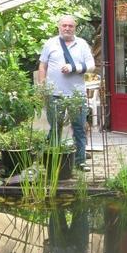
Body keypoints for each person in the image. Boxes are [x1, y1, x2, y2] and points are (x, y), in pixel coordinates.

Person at [38, 15, 95, 171]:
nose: (67, 28)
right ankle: (54, 159)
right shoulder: (50, 43)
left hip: (77, 95)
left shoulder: (82, 44)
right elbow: (42, 66)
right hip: (54, 93)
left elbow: (91, 65)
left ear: (74, 28)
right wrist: (42, 87)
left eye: (70, 26)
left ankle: (80, 162)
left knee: (79, 128)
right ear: (59, 27)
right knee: (55, 127)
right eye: (64, 25)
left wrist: (74, 67)